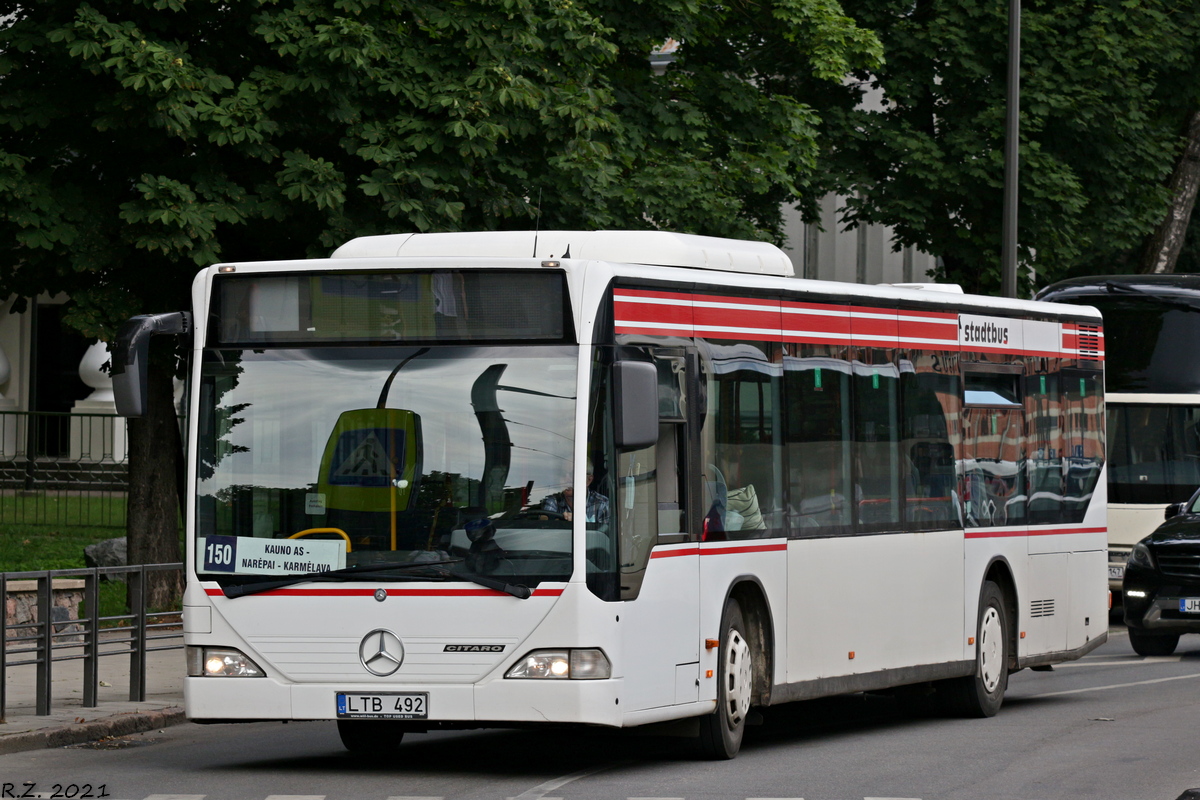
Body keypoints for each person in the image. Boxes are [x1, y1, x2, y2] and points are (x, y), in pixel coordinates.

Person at [542, 461, 610, 526]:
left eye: (573, 474)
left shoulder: (601, 503)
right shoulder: (553, 501)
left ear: (589, 480)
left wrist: (580, 521)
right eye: (563, 475)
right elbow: (545, 527)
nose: (566, 479)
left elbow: (604, 535)